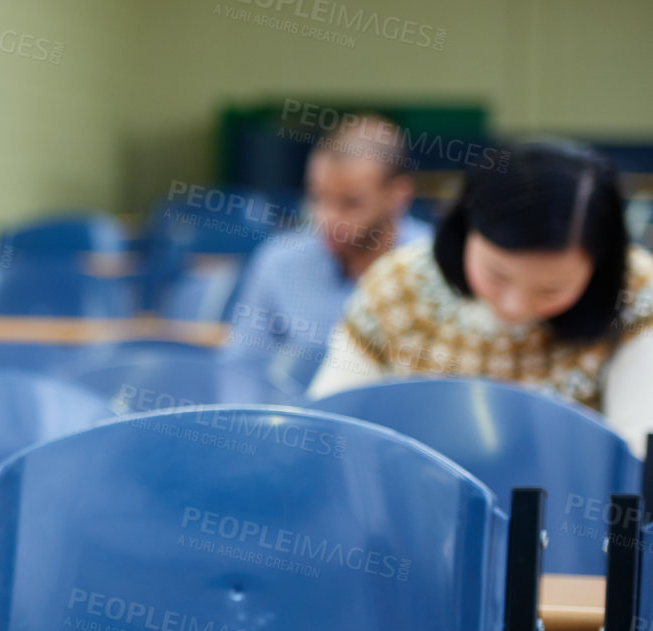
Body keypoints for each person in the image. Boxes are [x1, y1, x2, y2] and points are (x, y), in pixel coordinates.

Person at [309, 141, 653, 455]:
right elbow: (327, 424)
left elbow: (638, 454)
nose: (513, 306)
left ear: (600, 264)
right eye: (496, 276)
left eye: (551, 290)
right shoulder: (399, 286)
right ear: (466, 226)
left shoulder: (637, 293)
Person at [222, 113, 429, 387]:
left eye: (351, 203)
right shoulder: (279, 262)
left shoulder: (434, 267)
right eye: (318, 196)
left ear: (398, 196)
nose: (327, 218)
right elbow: (241, 374)